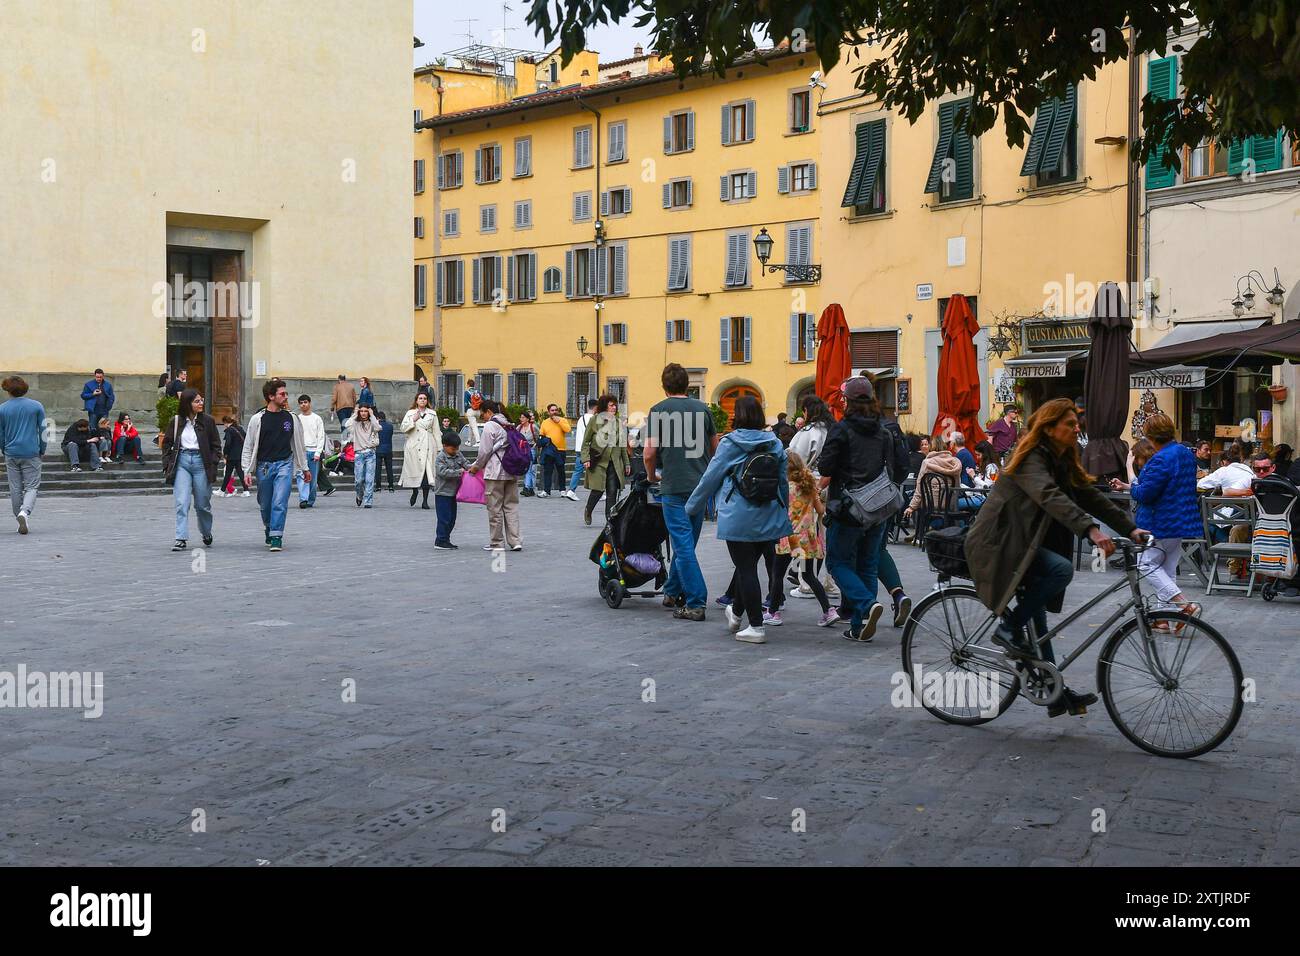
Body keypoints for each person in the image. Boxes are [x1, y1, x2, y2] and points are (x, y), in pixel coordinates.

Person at [966, 398, 1145, 718]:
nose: (1077, 428)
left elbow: (1088, 495)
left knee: (1040, 621)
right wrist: (1090, 530)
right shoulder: (1031, 457)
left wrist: (1131, 529)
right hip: (1001, 542)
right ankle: (1009, 629)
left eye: (1077, 423)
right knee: (1060, 570)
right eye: (1070, 424)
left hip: (1027, 542)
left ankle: (1051, 688)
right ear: (1049, 428)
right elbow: (1049, 494)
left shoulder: (1064, 455)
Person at [686, 396, 790, 644]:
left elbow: (710, 478)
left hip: (739, 514)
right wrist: (783, 511)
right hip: (769, 513)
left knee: (746, 569)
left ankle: (756, 626)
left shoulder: (730, 443)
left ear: (738, 416)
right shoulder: (774, 443)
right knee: (747, 567)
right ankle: (737, 612)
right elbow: (783, 482)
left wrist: (691, 507)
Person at [817, 377, 905, 643]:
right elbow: (896, 468)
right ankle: (859, 626)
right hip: (878, 507)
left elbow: (825, 468)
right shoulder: (883, 429)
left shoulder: (842, 429)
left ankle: (866, 606)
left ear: (848, 401)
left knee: (837, 563)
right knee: (868, 564)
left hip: (848, 507)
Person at [1109, 413, 1202, 628]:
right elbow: (1166, 486)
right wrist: (1129, 485)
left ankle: (1183, 604)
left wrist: (1129, 470)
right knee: (1167, 570)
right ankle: (1163, 619)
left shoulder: (1160, 459)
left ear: (1150, 436)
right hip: (1180, 521)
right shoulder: (1186, 454)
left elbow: (1143, 495)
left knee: (1145, 563)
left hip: (1158, 522)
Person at [644, 362, 719, 622]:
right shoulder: (703, 409)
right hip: (699, 486)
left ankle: (696, 601)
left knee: (683, 546)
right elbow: (715, 447)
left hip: (673, 486)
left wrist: (653, 476)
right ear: (687, 385)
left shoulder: (658, 411)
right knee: (688, 544)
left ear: (664, 387)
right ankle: (672, 590)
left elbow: (649, 453)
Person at [768, 452, 837, 628]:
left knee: (777, 575)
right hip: (806, 540)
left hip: (788, 538)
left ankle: (773, 612)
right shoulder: (809, 486)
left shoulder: (784, 487)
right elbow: (821, 510)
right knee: (808, 575)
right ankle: (828, 611)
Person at [241, 379, 311, 552]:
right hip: (264, 466)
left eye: (286, 393)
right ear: (271, 396)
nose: (286, 397)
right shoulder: (258, 419)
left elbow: (299, 445)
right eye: (282, 394)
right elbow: (248, 446)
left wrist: (305, 468)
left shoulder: (291, 418)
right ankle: (269, 526)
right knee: (265, 504)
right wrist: (246, 470)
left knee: (280, 501)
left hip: (284, 464)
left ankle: (276, 536)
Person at [786, 396, 840, 602]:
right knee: (827, 536)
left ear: (807, 411)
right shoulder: (834, 430)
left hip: (808, 487)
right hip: (832, 488)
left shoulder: (808, 433)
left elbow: (794, 460)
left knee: (808, 535)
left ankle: (806, 581)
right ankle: (829, 580)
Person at [161, 387, 221, 551]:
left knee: (202, 504)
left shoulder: (207, 421)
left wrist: (213, 462)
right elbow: (166, 443)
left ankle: (206, 531)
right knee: (182, 502)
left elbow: (216, 445)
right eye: (197, 401)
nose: (201, 403)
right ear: (188, 404)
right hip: (182, 462)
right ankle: (181, 537)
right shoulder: (176, 421)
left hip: (202, 463)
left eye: (201, 400)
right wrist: (167, 463)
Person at [467, 400, 523, 551]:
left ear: (489, 412)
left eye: (483, 414)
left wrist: (476, 467)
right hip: (511, 471)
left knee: (495, 508)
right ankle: (515, 541)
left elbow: (484, 451)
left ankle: (497, 543)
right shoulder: (510, 424)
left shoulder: (490, 426)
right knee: (511, 507)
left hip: (495, 472)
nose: (483, 417)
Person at [0, 376, 46, 534]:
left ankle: (18, 514)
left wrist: (3, 448)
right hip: (31, 451)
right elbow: (43, 430)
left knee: (15, 487)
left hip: (11, 452)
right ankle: (24, 512)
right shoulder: (36, 406)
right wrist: (43, 448)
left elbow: (1, 433)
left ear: (8, 390)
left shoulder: (2, 408)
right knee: (32, 485)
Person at [580, 395, 630, 526]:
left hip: (614, 463)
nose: (614, 407)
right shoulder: (594, 421)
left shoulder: (618, 422)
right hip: (598, 462)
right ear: (604, 407)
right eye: (611, 405)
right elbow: (585, 442)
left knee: (612, 492)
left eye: (615, 405)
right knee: (597, 490)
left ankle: (610, 521)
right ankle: (588, 509)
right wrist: (585, 458)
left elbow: (622, 445)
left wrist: (627, 463)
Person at [904, 439, 963, 521]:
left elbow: (919, 488)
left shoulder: (927, 463)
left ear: (931, 447)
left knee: (912, 499)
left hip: (930, 503)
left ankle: (921, 530)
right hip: (950, 504)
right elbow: (957, 485)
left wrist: (911, 507)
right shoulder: (955, 462)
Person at [399, 392, 439, 509]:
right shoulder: (410, 413)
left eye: (425, 398)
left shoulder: (432, 414)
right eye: (420, 398)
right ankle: (415, 491)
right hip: (413, 446)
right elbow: (403, 428)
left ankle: (425, 500)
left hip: (428, 445)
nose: (422, 400)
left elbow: (436, 431)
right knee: (415, 470)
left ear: (427, 401)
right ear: (416, 400)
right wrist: (413, 420)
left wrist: (439, 448)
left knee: (427, 473)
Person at [434, 432, 469, 551]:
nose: (456, 450)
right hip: (442, 493)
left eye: (457, 448)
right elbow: (442, 472)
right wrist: (460, 472)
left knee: (452, 518)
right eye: (453, 448)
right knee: (444, 518)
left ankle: (446, 539)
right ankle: (440, 540)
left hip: (454, 493)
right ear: (444, 445)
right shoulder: (440, 457)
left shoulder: (458, 454)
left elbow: (466, 464)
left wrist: (473, 468)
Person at [295, 395, 327, 509]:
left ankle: (310, 499)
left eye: (305, 402)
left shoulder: (317, 418)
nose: (303, 404)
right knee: (301, 476)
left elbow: (321, 436)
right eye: (301, 403)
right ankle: (303, 499)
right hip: (301, 451)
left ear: (309, 403)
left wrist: (318, 452)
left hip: (313, 451)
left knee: (312, 479)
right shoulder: (297, 418)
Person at [348, 404, 381, 508]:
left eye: (365, 411)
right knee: (358, 480)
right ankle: (359, 495)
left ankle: (368, 501)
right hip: (359, 454)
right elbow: (347, 425)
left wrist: (372, 415)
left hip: (370, 453)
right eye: (361, 411)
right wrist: (354, 413)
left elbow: (378, 428)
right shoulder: (355, 423)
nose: (363, 413)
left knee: (369, 479)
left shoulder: (372, 422)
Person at [566, 399, 599, 500]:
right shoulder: (593, 419)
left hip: (579, 448)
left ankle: (571, 490)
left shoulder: (581, 418)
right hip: (588, 449)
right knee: (596, 470)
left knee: (578, 470)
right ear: (596, 407)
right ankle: (598, 491)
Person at [537, 403, 572, 498]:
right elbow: (541, 435)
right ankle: (546, 491)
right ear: (548, 412)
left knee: (561, 470)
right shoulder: (545, 422)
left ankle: (562, 490)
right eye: (552, 410)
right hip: (549, 450)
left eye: (556, 410)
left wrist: (559, 421)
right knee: (547, 471)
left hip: (560, 449)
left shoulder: (563, 420)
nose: (554, 412)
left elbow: (568, 430)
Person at [217, 416, 248, 497]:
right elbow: (246, 438)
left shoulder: (229, 430)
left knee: (228, 473)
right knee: (241, 473)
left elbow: (228, 443)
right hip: (240, 454)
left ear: (225, 422)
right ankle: (246, 490)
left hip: (231, 456)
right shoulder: (240, 429)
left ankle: (222, 491)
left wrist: (225, 454)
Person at [516, 410, 540, 497]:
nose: (521, 419)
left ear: (527, 419)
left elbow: (539, 437)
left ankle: (526, 487)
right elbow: (515, 436)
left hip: (531, 449)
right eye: (520, 417)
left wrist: (535, 445)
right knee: (527, 469)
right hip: (522, 450)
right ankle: (531, 489)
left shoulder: (533, 427)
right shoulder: (519, 427)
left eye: (523, 417)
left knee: (529, 469)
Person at [376, 410, 395, 492]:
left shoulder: (376, 426)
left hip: (378, 449)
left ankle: (378, 487)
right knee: (389, 469)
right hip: (388, 449)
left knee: (378, 469)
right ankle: (391, 486)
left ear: (377, 418)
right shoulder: (390, 426)